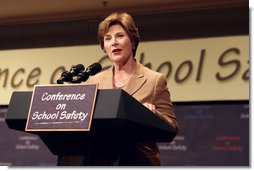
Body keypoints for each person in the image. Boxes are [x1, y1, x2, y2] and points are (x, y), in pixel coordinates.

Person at [84, 12, 178, 166]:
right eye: (108, 39)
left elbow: (172, 128)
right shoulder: (94, 81)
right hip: (100, 161)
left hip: (140, 161)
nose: (114, 42)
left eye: (120, 36)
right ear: (104, 47)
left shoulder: (154, 80)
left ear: (133, 42)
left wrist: (153, 115)